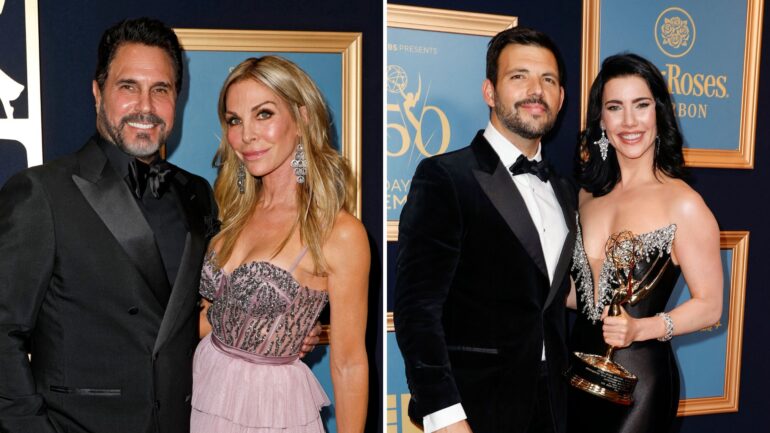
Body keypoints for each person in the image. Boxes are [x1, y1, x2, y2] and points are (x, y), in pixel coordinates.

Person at [0, 18, 319, 433]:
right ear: (98, 93)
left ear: (177, 100)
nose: (145, 106)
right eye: (128, 86)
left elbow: (201, 316)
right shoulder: (42, 192)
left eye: (161, 90)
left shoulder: (197, 193)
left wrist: (270, 329)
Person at [394, 27, 576, 433]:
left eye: (548, 80)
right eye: (519, 76)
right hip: (476, 408)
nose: (536, 90)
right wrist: (443, 415)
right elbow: (416, 310)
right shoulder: (445, 177)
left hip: (556, 406)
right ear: (489, 92)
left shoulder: (565, 190)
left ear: (561, 98)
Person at [191, 56, 369, 433]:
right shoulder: (230, 210)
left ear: (302, 119)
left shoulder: (337, 232)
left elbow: (350, 363)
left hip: (268, 411)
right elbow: (207, 320)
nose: (246, 135)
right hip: (203, 393)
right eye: (234, 120)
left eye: (264, 114)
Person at [566, 53, 723, 433]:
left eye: (641, 105)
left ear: (659, 113)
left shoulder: (683, 203)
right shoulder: (586, 196)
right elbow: (580, 295)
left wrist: (642, 328)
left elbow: (710, 307)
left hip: (641, 387)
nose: (629, 121)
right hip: (575, 377)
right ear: (601, 120)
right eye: (615, 107)